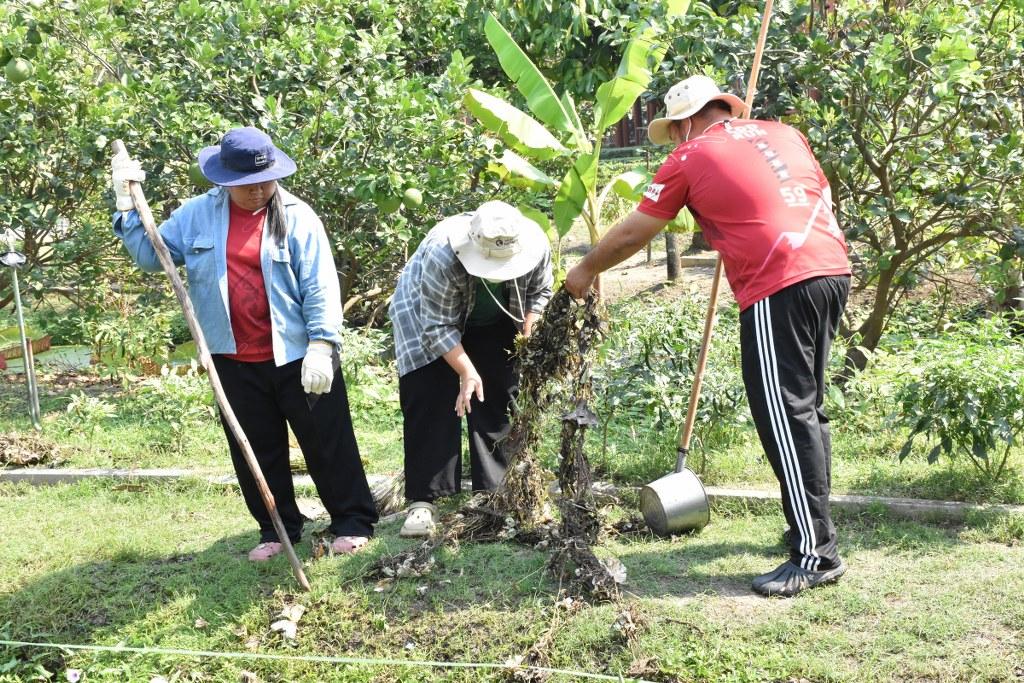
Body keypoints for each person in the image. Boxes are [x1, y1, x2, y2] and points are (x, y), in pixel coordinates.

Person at [564, 75, 852, 598]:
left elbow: (638, 230)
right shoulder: (783, 133)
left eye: (675, 130)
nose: (675, 140)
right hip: (830, 268)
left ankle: (815, 555)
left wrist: (584, 270)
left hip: (777, 279)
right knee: (807, 411)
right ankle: (811, 531)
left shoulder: (689, 155)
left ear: (688, 121)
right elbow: (817, 193)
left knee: (785, 417)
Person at [111, 127, 378, 561]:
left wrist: (323, 346)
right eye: (246, 185)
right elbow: (149, 255)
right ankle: (277, 530)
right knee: (255, 448)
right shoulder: (196, 216)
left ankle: (351, 520)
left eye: (265, 181)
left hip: (297, 354)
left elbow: (321, 287)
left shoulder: (298, 216)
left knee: (327, 440)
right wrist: (126, 205)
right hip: (231, 357)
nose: (257, 191)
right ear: (223, 180)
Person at [389, 201, 553, 537]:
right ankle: (424, 501)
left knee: (498, 393)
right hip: (426, 316)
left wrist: (529, 336)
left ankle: (495, 493)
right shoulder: (442, 254)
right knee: (430, 396)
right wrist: (465, 370)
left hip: (497, 317)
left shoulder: (535, 245)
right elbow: (436, 326)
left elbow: (539, 293)